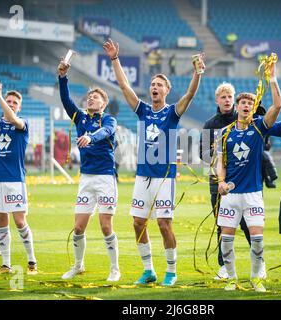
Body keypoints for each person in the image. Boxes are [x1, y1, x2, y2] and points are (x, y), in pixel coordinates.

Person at [103, 38, 204, 286]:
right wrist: (115, 59)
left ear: (167, 90)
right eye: (152, 84)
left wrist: (197, 73)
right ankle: (149, 270)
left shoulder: (172, 112)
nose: (155, 87)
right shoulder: (143, 110)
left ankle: (171, 270)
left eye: (159, 84)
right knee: (138, 223)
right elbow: (125, 86)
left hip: (164, 179)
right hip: (142, 177)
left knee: (163, 224)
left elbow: (190, 94)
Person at [216, 58, 281, 292]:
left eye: (250, 103)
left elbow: (277, 107)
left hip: (253, 194)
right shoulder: (224, 133)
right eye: (242, 102)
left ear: (253, 108)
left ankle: (256, 279)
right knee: (226, 240)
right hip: (231, 196)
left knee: (257, 240)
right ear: (237, 107)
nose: (246, 105)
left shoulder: (258, 127)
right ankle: (233, 280)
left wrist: (272, 78)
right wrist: (221, 181)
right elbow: (220, 162)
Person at [57, 58, 121, 281]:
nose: (91, 98)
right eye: (90, 96)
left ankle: (114, 268)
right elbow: (66, 101)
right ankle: (78, 265)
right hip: (86, 179)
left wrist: (90, 137)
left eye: (96, 97)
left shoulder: (109, 119)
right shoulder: (80, 117)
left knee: (105, 226)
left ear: (103, 103)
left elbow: (106, 132)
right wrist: (63, 77)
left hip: (105, 178)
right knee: (78, 227)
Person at [199, 82, 264, 280]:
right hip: (219, 183)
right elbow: (202, 153)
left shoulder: (247, 119)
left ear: (234, 101)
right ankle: (224, 266)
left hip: (246, 181)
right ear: (217, 100)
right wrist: (221, 157)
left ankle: (259, 263)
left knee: (248, 225)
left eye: (230, 97)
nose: (227, 100)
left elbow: (262, 143)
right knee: (223, 225)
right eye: (223, 97)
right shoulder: (210, 124)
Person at [0, 80, 38, 275]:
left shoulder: (22, 124)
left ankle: (32, 262)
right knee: (1, 220)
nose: (11, 104)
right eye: (8, 101)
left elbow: (12, 118)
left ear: (19, 107)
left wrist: (0, 96)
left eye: (14, 103)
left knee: (20, 222)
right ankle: (6, 264)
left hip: (15, 181)